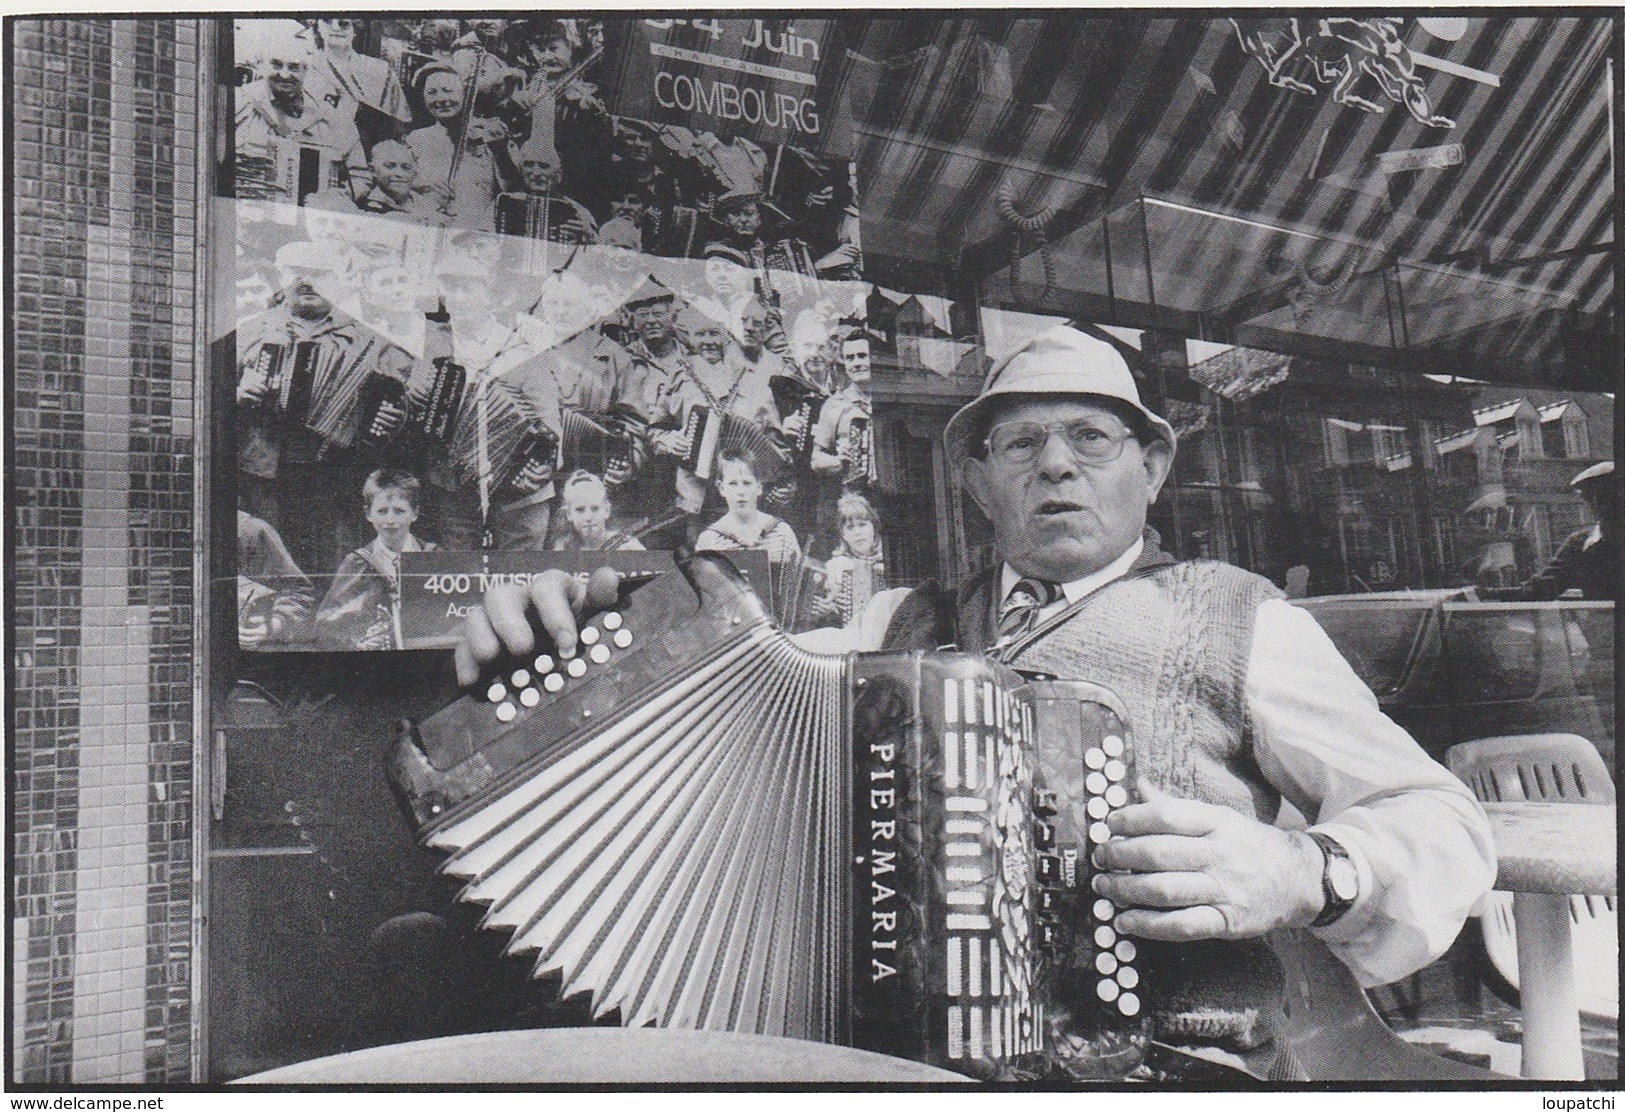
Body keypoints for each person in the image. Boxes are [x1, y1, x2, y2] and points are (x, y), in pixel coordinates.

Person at [454, 325, 1494, 1068]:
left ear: (1150, 468)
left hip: (1166, 1068)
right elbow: (691, 697)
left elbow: (1440, 821)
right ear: (977, 481)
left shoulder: (1240, 618)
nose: (1054, 465)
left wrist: (1305, 867)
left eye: (1090, 437)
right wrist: (565, 628)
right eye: (1019, 443)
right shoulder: (888, 625)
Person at [314, 468, 434, 650]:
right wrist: (358, 642)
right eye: (382, 511)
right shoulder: (358, 563)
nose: (390, 520)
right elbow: (327, 622)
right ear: (368, 513)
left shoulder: (432, 556)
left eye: (399, 511)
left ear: (415, 513)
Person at [1480, 461, 1617, 602]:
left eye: (1609, 498)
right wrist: (1485, 594)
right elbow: (1542, 589)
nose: (1599, 506)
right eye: (1592, 499)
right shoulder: (1581, 544)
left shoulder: (1584, 542)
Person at [815, 491, 885, 628]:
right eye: (850, 527)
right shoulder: (835, 567)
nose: (858, 532)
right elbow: (826, 609)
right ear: (844, 535)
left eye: (862, 524)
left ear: (874, 527)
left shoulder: (890, 560)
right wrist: (829, 608)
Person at [551, 471, 645, 552]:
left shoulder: (627, 547)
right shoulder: (564, 548)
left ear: (607, 510)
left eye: (595, 508)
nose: (588, 517)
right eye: (580, 510)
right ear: (569, 514)